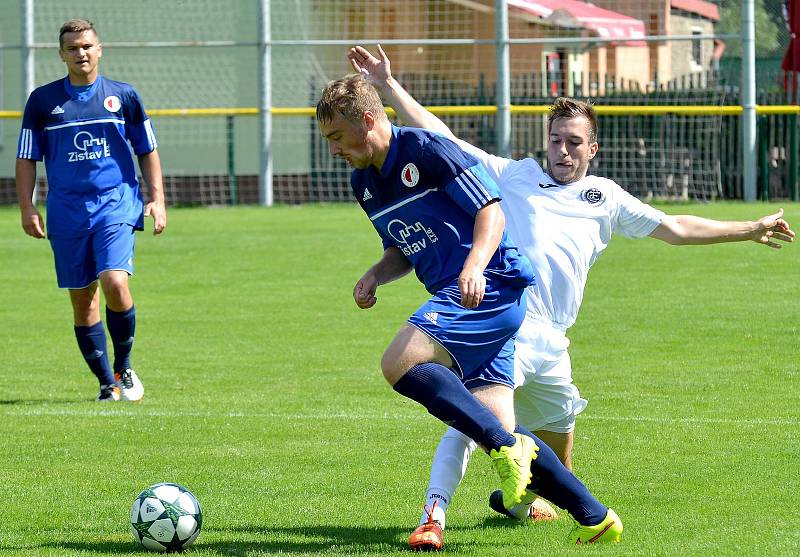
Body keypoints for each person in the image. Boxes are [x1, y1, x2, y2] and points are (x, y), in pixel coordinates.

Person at [347, 44, 795, 549]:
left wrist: (748, 228)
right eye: (556, 140)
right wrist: (389, 87)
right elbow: (442, 137)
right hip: (509, 320)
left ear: (592, 149)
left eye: (574, 142)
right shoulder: (515, 174)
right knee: (475, 422)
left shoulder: (606, 197)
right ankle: (434, 516)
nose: (562, 150)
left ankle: (525, 502)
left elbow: (675, 227)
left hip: (555, 338)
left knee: (559, 429)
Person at [316, 73, 625, 548]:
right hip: (468, 296)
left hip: (490, 287)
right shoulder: (365, 183)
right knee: (489, 422)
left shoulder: (425, 150)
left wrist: (476, 265)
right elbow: (403, 247)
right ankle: (594, 514)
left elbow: (492, 210)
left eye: (337, 136)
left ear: (368, 119)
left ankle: (504, 450)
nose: (334, 148)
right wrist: (377, 273)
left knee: (399, 362)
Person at [15, 19, 166, 402]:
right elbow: (26, 157)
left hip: (115, 202)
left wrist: (157, 199)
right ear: (61, 54)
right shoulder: (42, 101)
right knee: (83, 300)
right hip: (66, 211)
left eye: (86, 46)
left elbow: (146, 150)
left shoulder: (124, 96)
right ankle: (105, 383)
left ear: (99, 49)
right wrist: (27, 206)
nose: (80, 53)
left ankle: (125, 365)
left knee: (115, 281)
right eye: (72, 48)